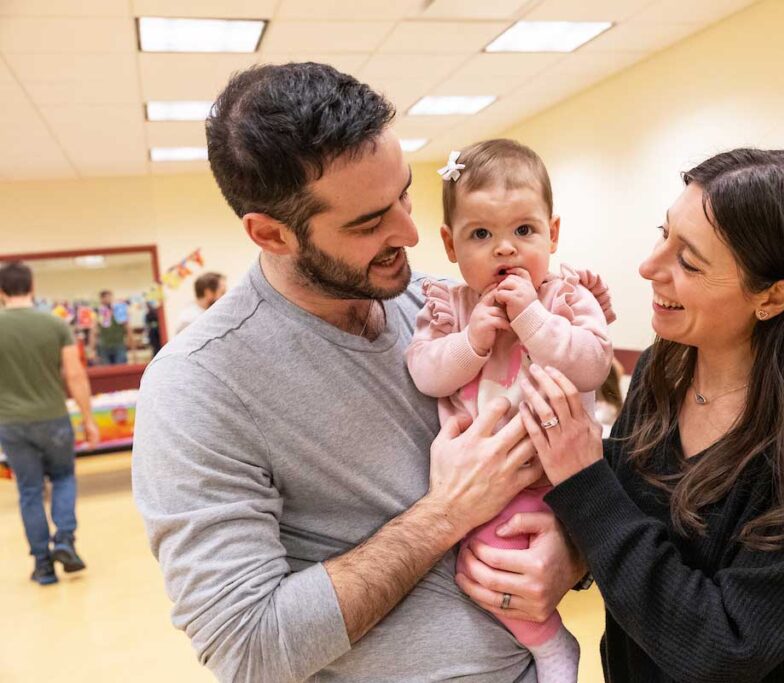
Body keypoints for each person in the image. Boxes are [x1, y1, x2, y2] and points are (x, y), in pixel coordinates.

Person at [131, 63, 584, 682]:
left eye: (403, 194)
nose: (411, 233)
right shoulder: (199, 384)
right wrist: (445, 513)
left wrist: (573, 553)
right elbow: (248, 648)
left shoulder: (445, 308)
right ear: (271, 234)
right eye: (370, 222)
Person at [460, 148, 784, 681]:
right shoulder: (666, 368)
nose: (649, 267)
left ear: (771, 297)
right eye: (664, 234)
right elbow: (627, 526)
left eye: (689, 262)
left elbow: (727, 648)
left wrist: (584, 480)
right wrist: (571, 553)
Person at [406, 139, 614, 682]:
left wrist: (533, 321)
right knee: (486, 563)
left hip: (562, 474)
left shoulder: (566, 299)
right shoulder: (449, 308)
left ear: (553, 233)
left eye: (524, 230)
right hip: (485, 481)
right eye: (481, 234)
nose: (505, 250)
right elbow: (425, 373)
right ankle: (547, 641)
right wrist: (471, 341)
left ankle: (550, 645)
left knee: (515, 560)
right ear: (450, 244)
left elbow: (593, 365)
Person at [0, 261, 100, 585]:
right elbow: (75, 374)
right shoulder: (54, 324)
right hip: (53, 417)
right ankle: (65, 540)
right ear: (32, 287)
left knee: (29, 491)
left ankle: (43, 566)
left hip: (11, 423)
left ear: (1, 292)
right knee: (63, 477)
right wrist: (88, 419)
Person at [92, 289, 133, 364]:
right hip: (104, 346)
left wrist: (133, 347)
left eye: (109, 297)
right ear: (101, 299)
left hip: (119, 345)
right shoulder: (99, 313)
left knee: (120, 368)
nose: (107, 299)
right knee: (106, 369)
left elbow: (128, 328)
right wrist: (93, 349)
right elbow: (93, 331)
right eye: (104, 297)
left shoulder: (119, 311)